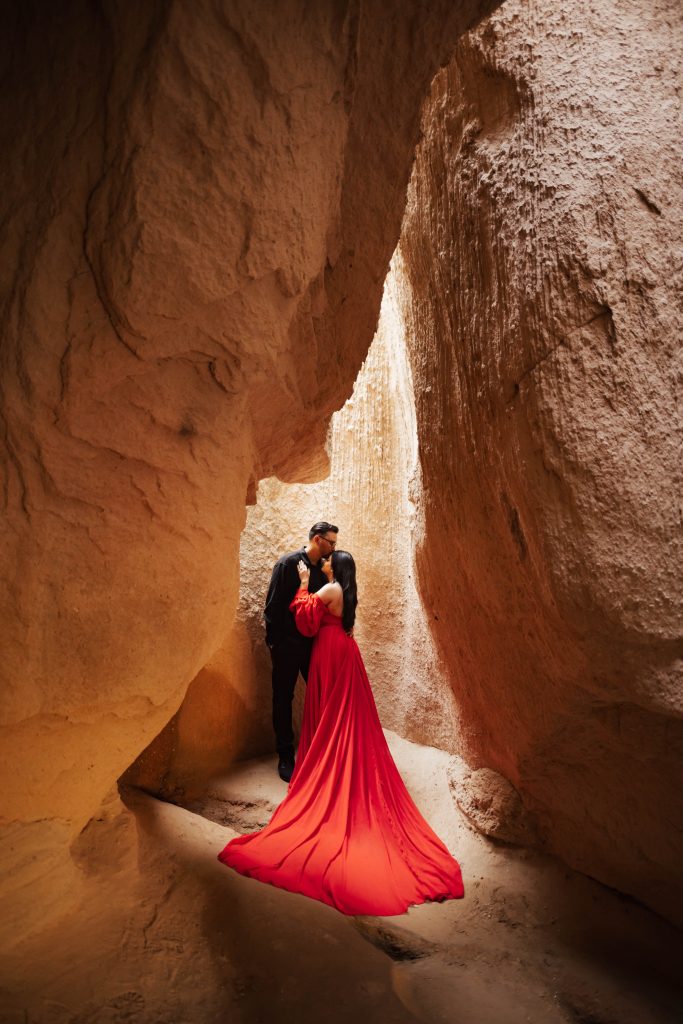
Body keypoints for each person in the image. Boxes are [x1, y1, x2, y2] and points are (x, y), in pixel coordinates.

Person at [218, 549, 464, 917]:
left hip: (329, 653)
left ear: (337, 568)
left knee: (330, 716)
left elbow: (304, 621)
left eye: (333, 558)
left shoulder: (330, 588)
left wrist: (302, 585)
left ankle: (325, 766)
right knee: (343, 715)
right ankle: (335, 756)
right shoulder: (346, 591)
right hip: (345, 653)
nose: (327, 559)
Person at [264, 522, 339, 781]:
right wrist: (276, 644)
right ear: (318, 539)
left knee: (322, 696)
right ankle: (285, 756)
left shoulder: (321, 570)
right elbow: (272, 607)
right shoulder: (288, 564)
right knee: (283, 698)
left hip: (312, 647)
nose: (334, 548)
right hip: (286, 645)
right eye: (331, 543)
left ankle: (324, 754)